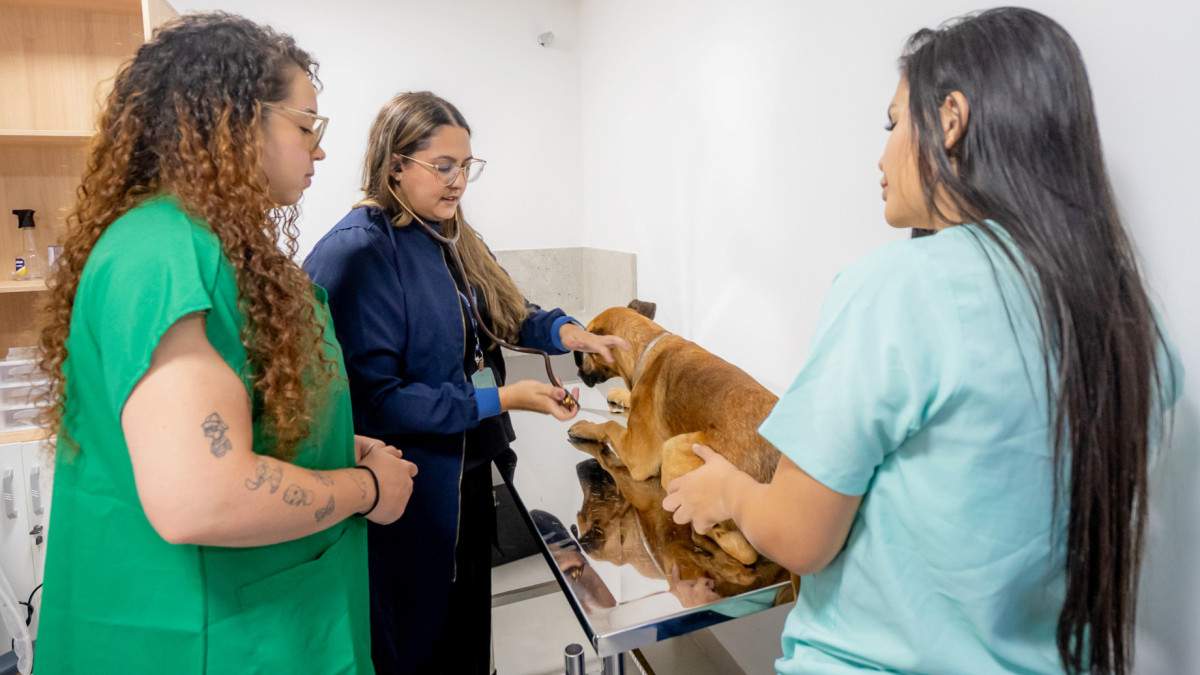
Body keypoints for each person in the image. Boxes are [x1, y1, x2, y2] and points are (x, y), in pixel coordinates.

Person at [663, 8, 1182, 675]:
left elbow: (799, 535)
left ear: (951, 119)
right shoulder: (1132, 324)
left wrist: (729, 491)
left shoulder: (899, 289)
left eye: (894, 121)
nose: (881, 154)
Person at [33, 13, 417, 674]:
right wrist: (365, 488)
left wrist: (324, 441)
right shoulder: (165, 249)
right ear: (231, 121)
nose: (318, 150)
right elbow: (201, 494)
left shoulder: (210, 245)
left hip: (265, 619)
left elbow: (211, 423)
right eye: (305, 127)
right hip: (207, 639)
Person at [303, 91, 628, 674]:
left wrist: (570, 333)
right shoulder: (361, 252)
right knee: (417, 641)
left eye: (466, 166)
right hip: (408, 487)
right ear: (395, 164)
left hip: (471, 467)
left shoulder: (452, 234)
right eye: (443, 166)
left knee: (469, 632)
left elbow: (506, 310)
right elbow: (376, 401)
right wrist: (501, 397)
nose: (458, 182)